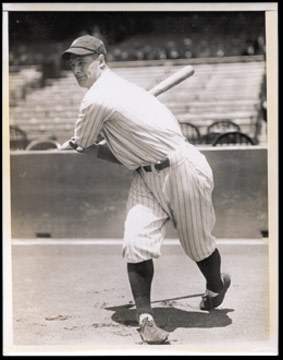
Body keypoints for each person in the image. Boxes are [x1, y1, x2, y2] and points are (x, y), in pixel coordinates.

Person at [59, 35, 231, 345]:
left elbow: (84, 141)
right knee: (135, 242)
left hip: (182, 168)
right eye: (73, 65)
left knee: (198, 246)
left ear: (101, 60)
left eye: (82, 62)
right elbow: (128, 158)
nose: (76, 69)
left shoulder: (98, 98)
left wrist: (84, 147)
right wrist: (92, 149)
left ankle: (217, 285)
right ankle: (146, 319)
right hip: (144, 173)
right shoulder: (122, 91)